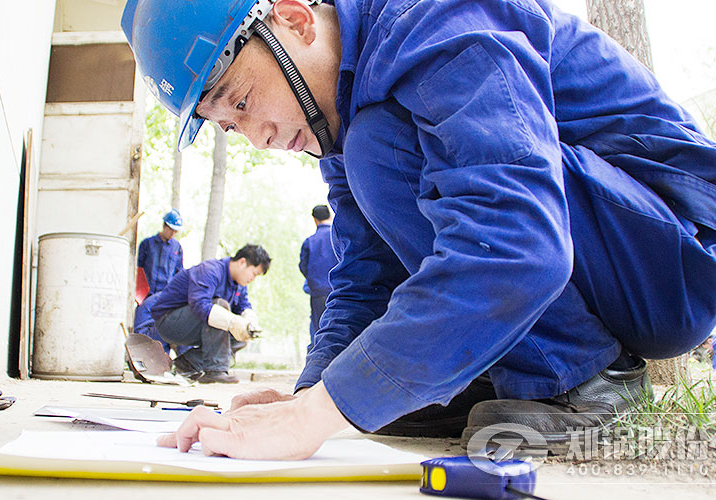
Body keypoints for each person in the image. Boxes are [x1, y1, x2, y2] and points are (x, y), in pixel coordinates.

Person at [122, 0, 716, 460]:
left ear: (294, 20)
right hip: (609, 263)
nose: (258, 138)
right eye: (227, 126)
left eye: (244, 101)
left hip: (674, 262)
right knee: (372, 149)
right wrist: (314, 394)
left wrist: (318, 416)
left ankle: (578, 374)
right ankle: (508, 371)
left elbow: (516, 241)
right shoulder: (339, 108)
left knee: (380, 145)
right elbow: (364, 275)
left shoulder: (434, 17)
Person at [150, 244, 271, 384]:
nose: (253, 279)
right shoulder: (210, 270)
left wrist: (249, 323)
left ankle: (186, 364)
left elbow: (244, 306)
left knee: (242, 334)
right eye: (254, 273)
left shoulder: (239, 285)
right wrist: (231, 322)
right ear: (242, 262)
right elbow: (199, 305)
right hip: (169, 322)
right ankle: (215, 371)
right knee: (220, 307)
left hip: (194, 324)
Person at [299, 205, 338, 351]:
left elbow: (304, 266)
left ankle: (316, 365)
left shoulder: (309, 242)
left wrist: (314, 281)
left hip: (318, 292)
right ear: (330, 216)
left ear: (314, 220)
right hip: (340, 289)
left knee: (318, 328)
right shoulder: (338, 237)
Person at [137, 209, 184, 296]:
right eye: (171, 229)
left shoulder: (177, 248)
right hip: (146, 294)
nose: (173, 233)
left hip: (165, 296)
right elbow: (138, 269)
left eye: (175, 231)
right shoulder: (147, 244)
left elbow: (179, 273)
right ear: (164, 226)